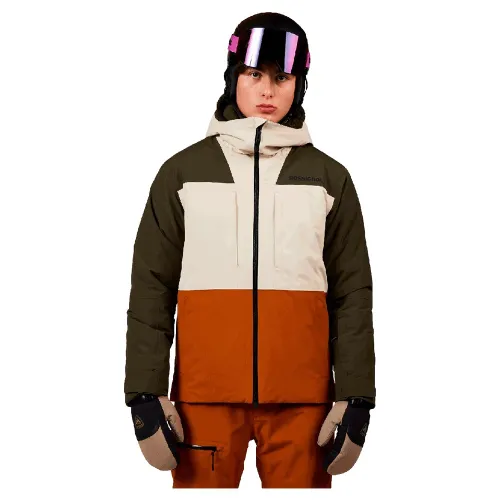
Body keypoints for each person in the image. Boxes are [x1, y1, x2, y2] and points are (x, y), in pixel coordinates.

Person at [124, 11, 376, 488]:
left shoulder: (329, 179)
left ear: (299, 85)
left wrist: (357, 395)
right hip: (202, 398)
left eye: (282, 78)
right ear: (232, 77)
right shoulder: (181, 174)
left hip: (304, 403)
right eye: (254, 74)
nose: (267, 91)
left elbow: (352, 294)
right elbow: (151, 288)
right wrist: (143, 391)